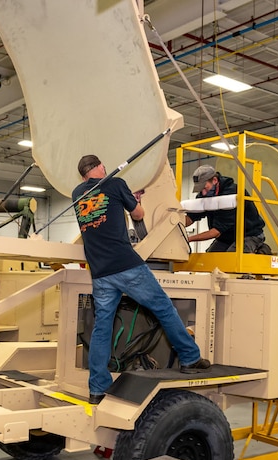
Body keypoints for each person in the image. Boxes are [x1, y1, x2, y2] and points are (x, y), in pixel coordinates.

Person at [72, 154, 211, 404]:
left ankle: (97, 388)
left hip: (101, 272)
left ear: (83, 176)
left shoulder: (77, 194)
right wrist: (133, 200)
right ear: (102, 167)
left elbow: (100, 219)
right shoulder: (115, 184)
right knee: (164, 308)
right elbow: (138, 215)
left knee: (102, 328)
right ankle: (190, 358)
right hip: (126, 266)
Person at [185, 165, 270, 253]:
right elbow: (191, 217)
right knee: (209, 260)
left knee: (231, 261)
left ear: (214, 180)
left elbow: (216, 231)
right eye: (200, 189)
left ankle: (260, 248)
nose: (203, 193)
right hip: (226, 238)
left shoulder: (231, 195)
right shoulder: (204, 195)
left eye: (205, 188)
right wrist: (174, 224)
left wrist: (189, 238)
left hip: (248, 235)